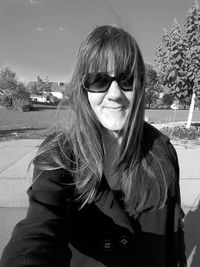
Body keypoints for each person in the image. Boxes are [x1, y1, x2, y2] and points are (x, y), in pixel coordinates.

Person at [0, 25, 186, 267]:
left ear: (140, 86)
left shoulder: (162, 152)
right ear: (83, 87)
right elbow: (38, 229)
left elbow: (174, 233)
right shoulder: (60, 156)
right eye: (99, 80)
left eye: (127, 79)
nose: (115, 94)